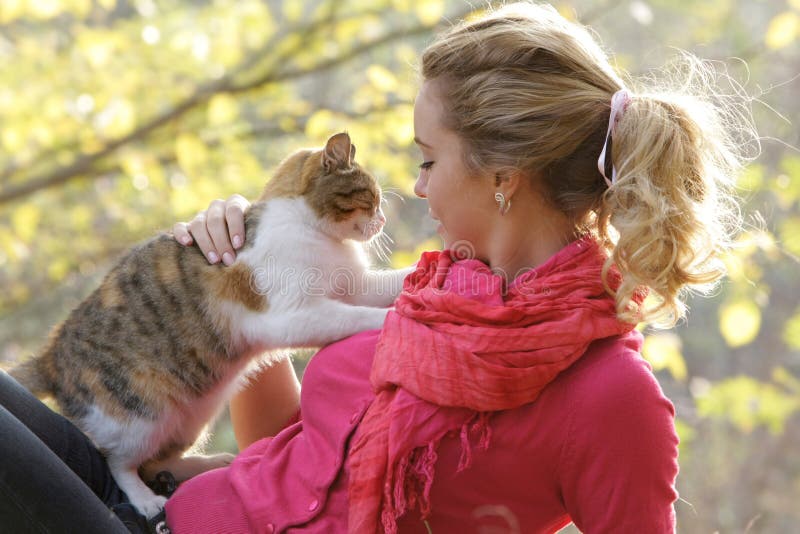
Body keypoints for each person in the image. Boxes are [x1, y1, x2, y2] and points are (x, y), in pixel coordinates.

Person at [0, 2, 750, 532]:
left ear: (504, 177)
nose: (417, 187)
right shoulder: (435, 292)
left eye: (428, 160)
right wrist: (239, 278)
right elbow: (286, 455)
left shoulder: (608, 397)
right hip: (156, 503)